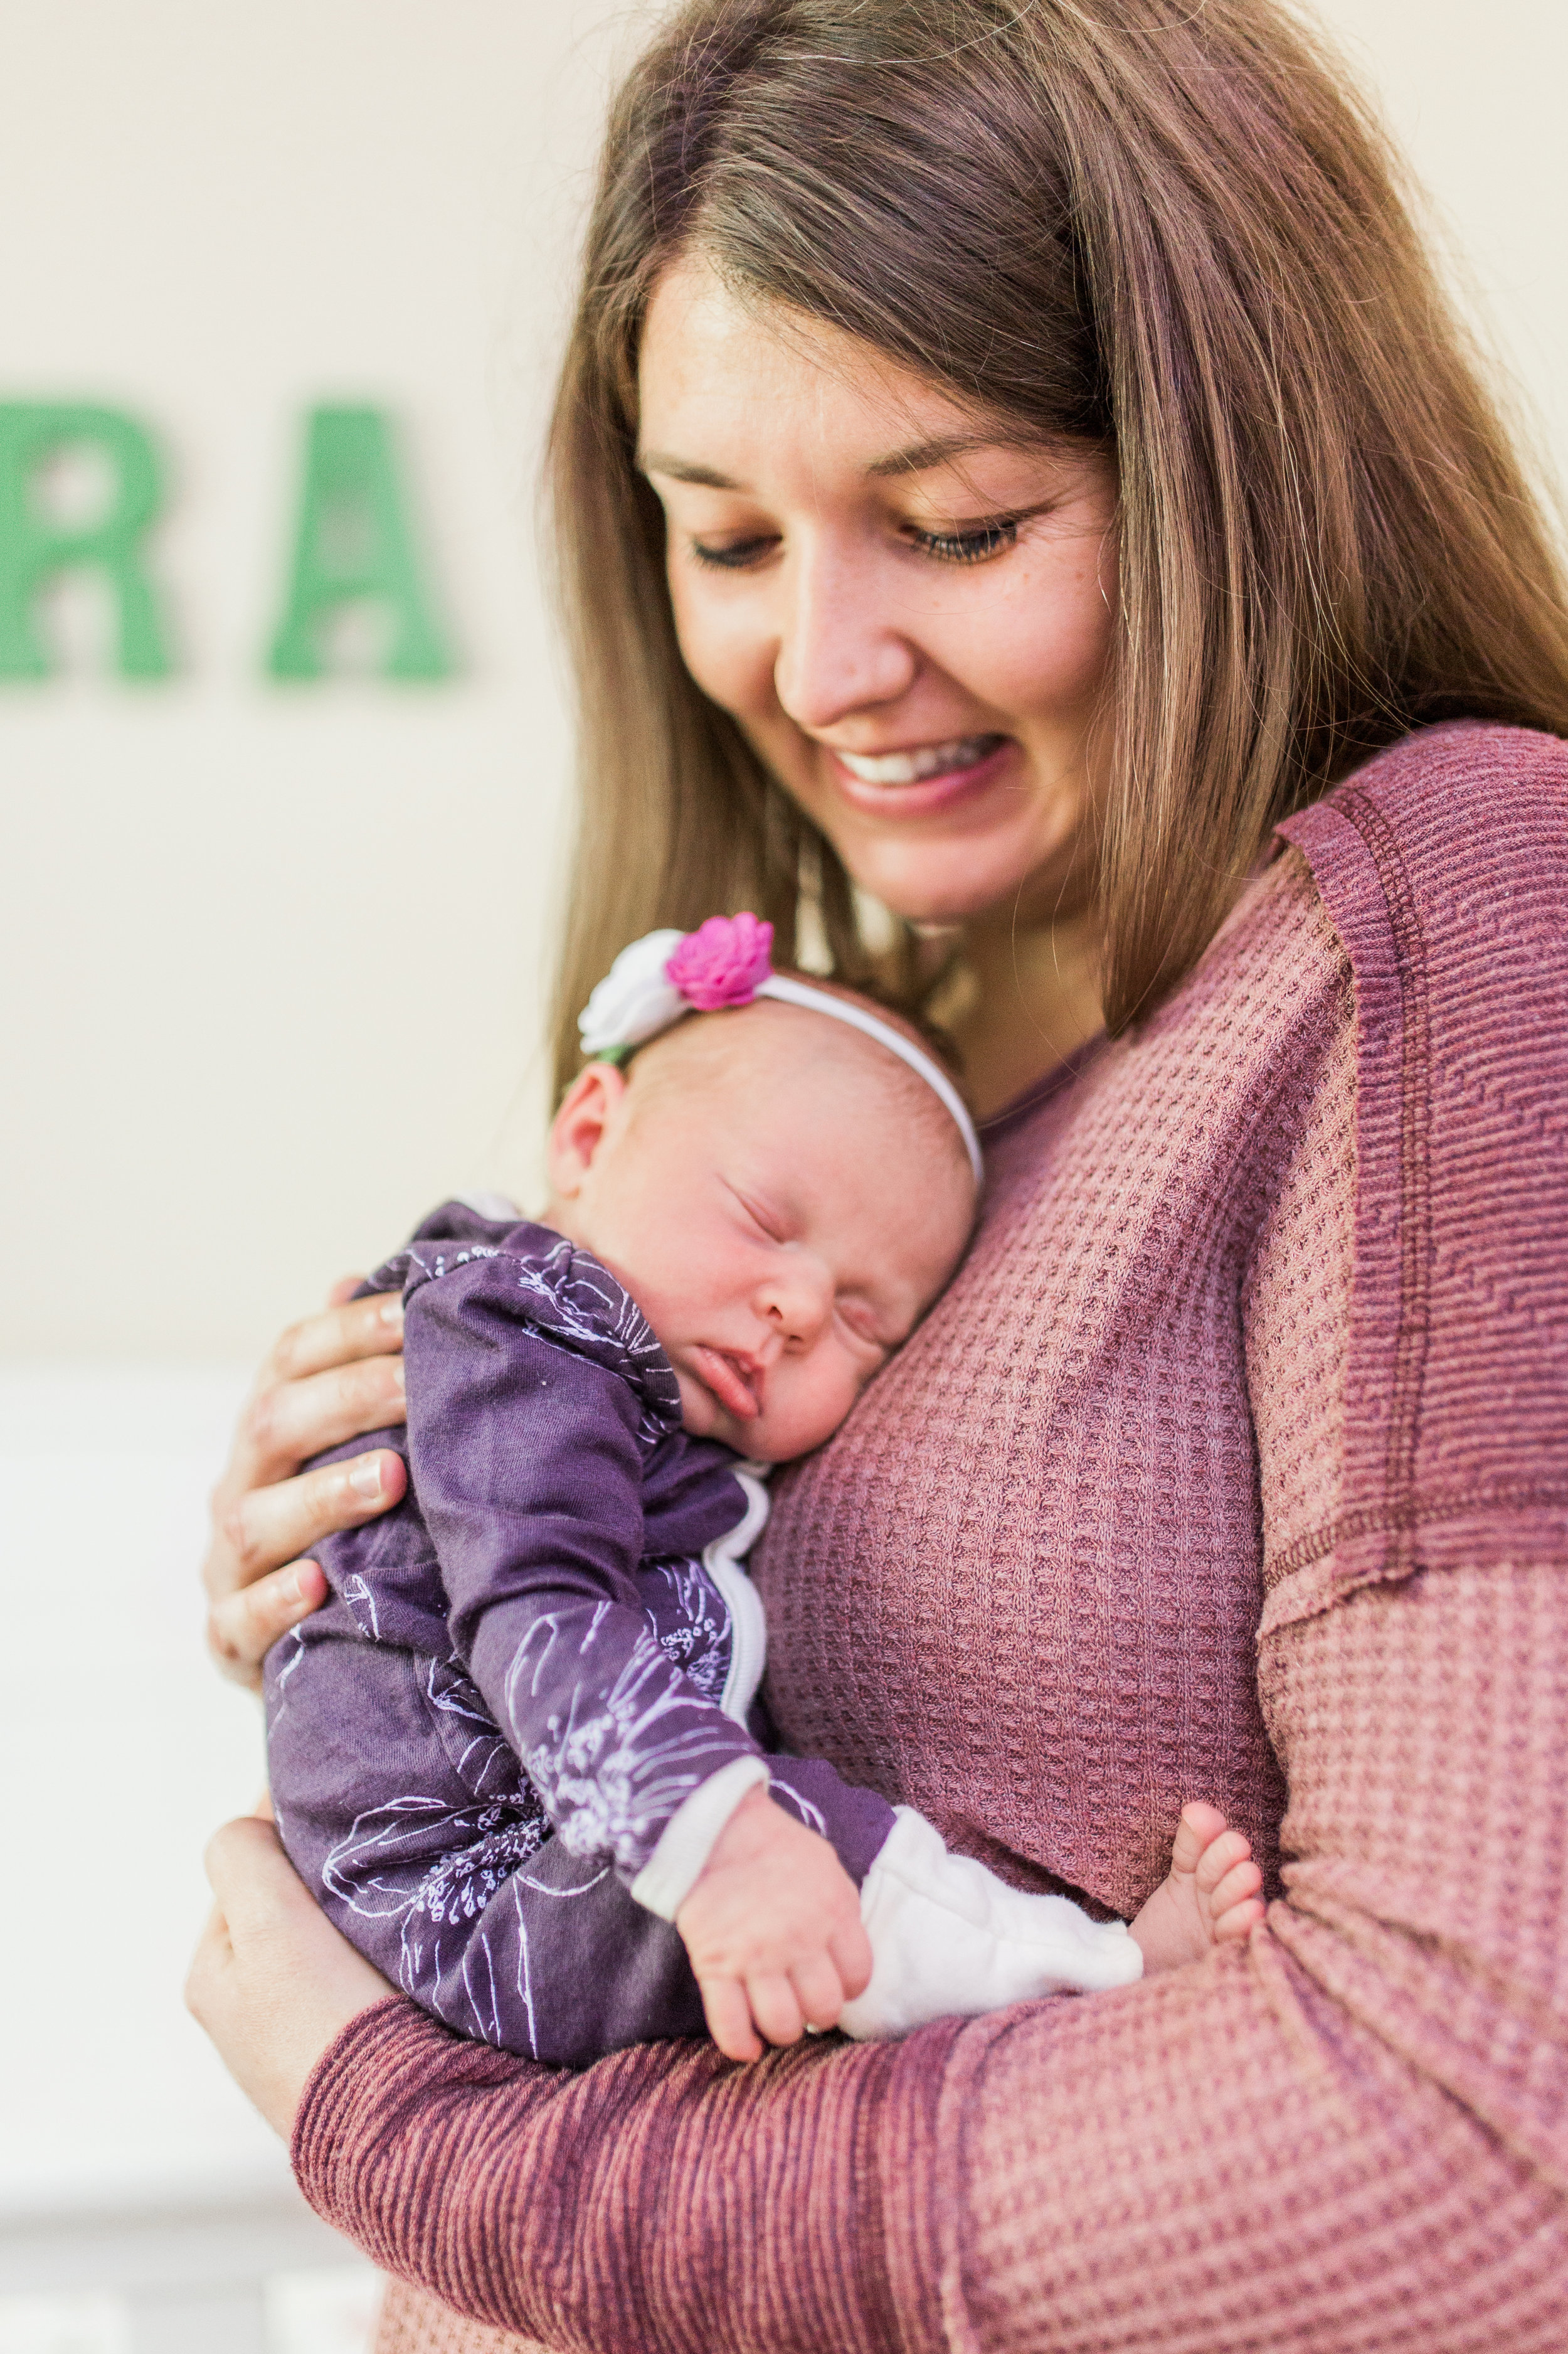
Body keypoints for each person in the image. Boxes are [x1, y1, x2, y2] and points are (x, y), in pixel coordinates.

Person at [188, 2, 1568, 2348]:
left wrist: (424, 2143)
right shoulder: (880, 1081)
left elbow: (1475, 2151)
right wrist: (395, 1554)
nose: (821, 660)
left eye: (956, 523)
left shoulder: (1458, 917)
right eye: (723, 535)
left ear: (1235, 464)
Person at [268, 917, 1264, 2069]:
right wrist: (719, 1835)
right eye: (763, 1221)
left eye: (862, 1321)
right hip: (475, 1878)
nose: (794, 1306)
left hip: (527, 1852)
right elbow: (534, 1602)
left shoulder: (608, 1372)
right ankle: (1111, 1981)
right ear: (589, 1135)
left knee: (812, 1861)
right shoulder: (527, 1324)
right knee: (809, 1853)